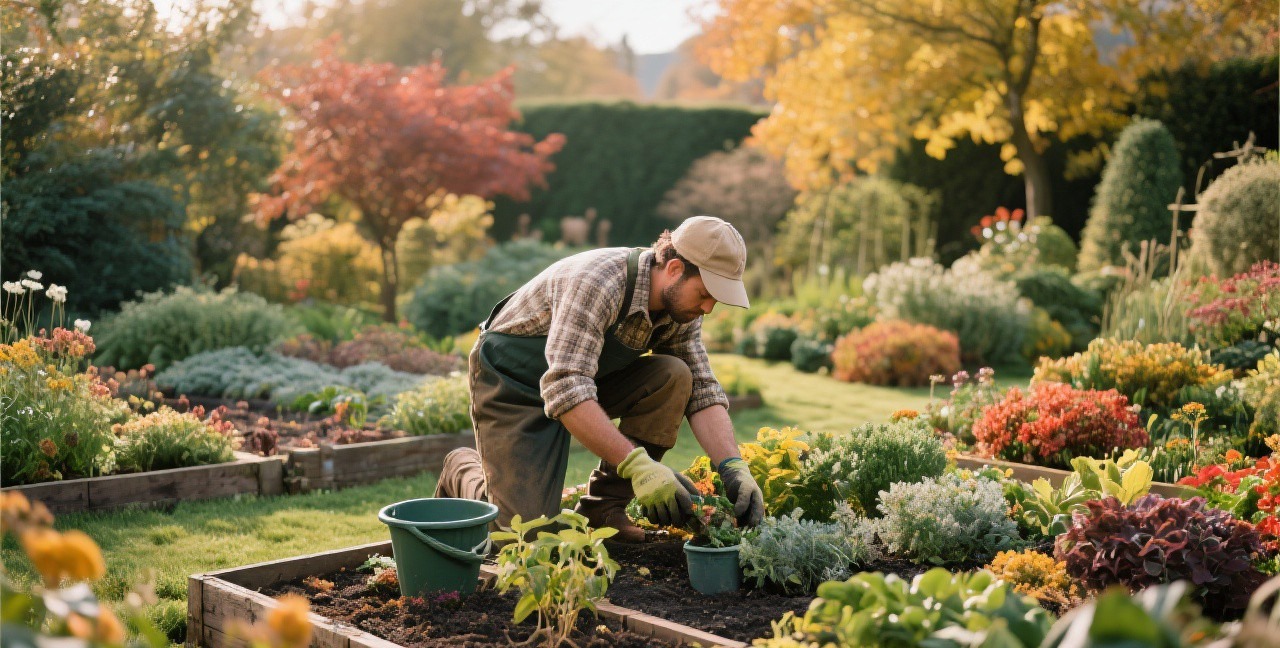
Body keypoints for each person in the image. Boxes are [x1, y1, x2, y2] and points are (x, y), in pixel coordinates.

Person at [435, 215, 765, 542]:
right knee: (523, 536)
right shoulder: (599, 282)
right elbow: (566, 388)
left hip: (584, 380)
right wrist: (639, 466)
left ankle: (602, 508)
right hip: (513, 383)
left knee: (676, 376)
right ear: (676, 269)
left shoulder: (681, 308)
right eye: (705, 293)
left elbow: (702, 390)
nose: (708, 308)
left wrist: (734, 466)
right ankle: (463, 469)